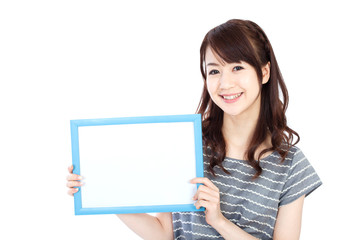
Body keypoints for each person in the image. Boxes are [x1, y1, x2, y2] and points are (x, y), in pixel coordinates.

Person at [66, 19, 322, 239]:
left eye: (237, 67)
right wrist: (102, 191)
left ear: (264, 72)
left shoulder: (290, 166)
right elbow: (163, 233)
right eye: (214, 71)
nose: (225, 83)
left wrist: (219, 221)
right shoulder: (186, 144)